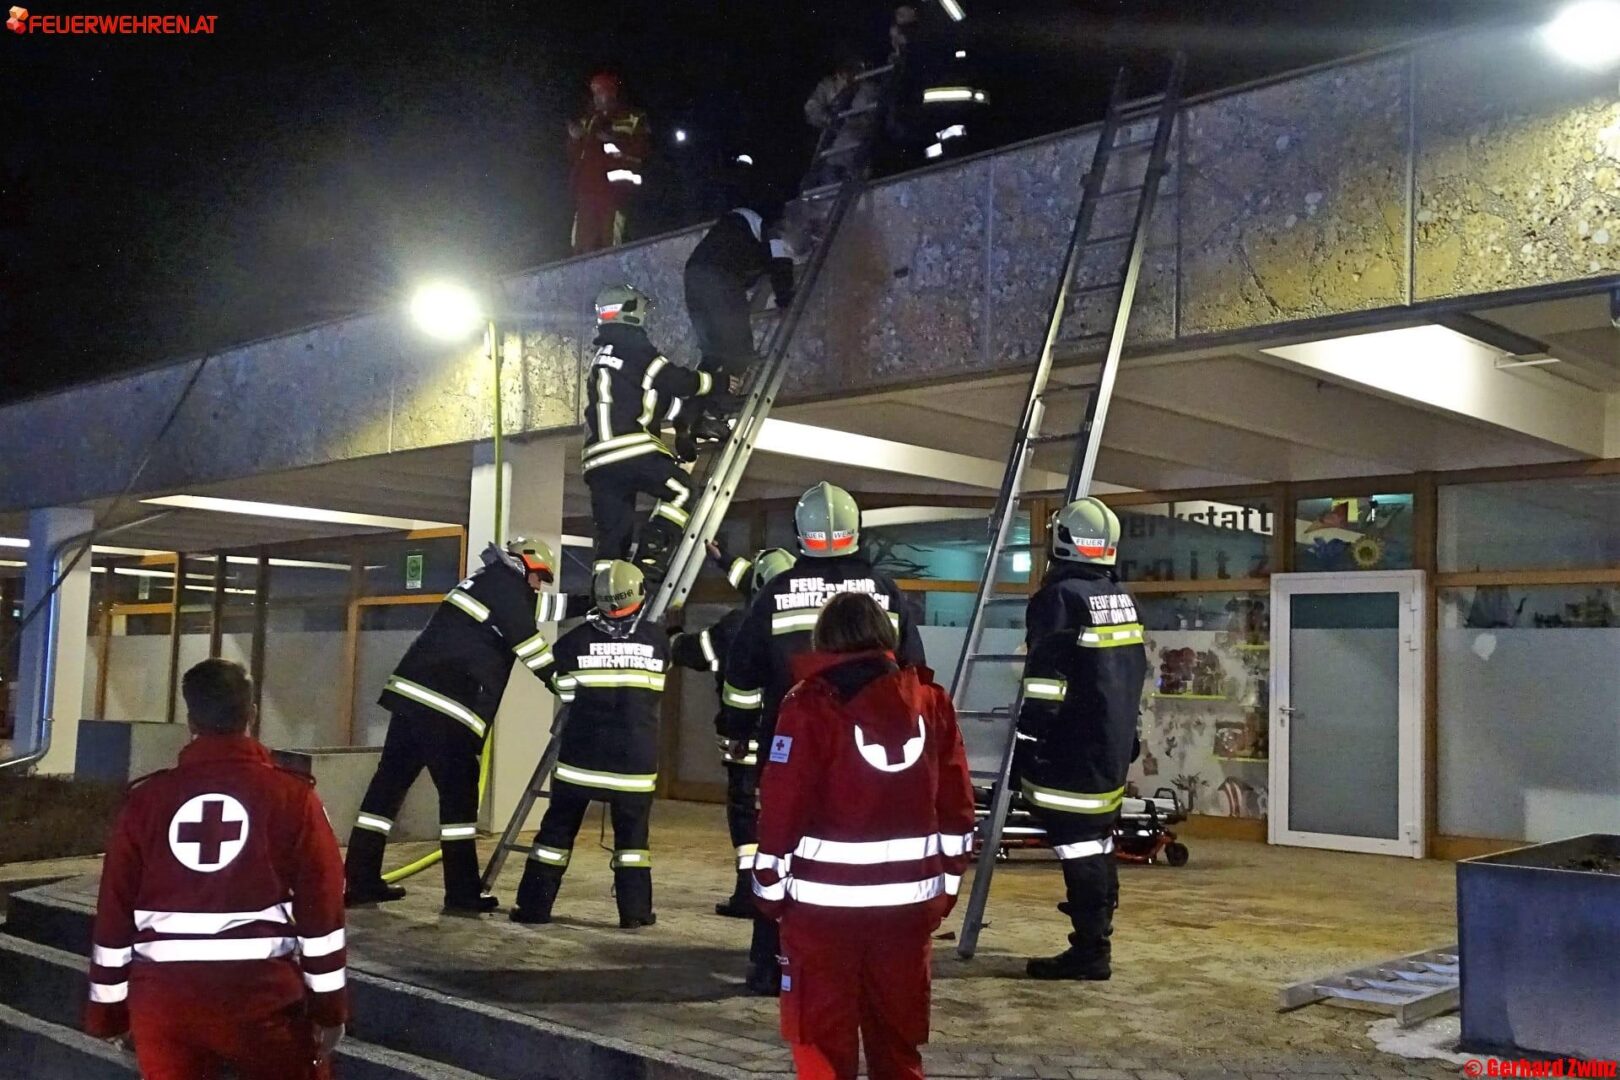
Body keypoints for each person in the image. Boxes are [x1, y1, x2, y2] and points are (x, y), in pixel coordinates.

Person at [84, 659, 348, 1080]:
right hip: (265, 1002)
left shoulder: (147, 801)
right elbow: (324, 911)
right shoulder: (291, 798)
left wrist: (108, 1012)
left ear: (190, 720)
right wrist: (329, 1007)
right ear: (252, 714)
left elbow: (114, 912)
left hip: (165, 1006)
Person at [752, 592, 975, 1080]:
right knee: (898, 1043)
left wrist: (768, 888)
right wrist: (944, 892)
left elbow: (783, 807)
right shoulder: (931, 702)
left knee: (821, 1046)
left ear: (824, 639)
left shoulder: (809, 704)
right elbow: (958, 810)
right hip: (908, 913)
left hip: (821, 914)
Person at [719, 481, 925, 995]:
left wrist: (738, 734)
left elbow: (741, 676)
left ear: (799, 534)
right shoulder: (885, 591)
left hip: (792, 747)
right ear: (855, 532)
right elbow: (914, 674)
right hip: (873, 755)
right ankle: (863, 963)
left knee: (783, 847)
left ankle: (771, 965)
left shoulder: (776, 591)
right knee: (866, 852)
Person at [345, 537, 573, 914]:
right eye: (540, 577)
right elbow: (530, 646)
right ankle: (462, 894)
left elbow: (544, 608)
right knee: (458, 807)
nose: (540, 586)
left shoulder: (489, 583)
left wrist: (596, 603)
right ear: (525, 566)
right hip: (450, 709)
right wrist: (567, 688)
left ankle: (361, 880)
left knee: (383, 796)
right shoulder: (507, 587)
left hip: (411, 700)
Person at [1014, 496, 1147, 980]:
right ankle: (1095, 939)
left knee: (1079, 845)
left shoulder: (1059, 599)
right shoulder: (1121, 598)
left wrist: (1028, 737)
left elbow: (1046, 680)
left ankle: (1091, 950)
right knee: (1096, 842)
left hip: (1070, 748)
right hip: (1109, 745)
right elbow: (1130, 675)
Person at [511, 560, 670, 929]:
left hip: (580, 759)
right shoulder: (656, 640)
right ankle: (635, 913)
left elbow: (559, 684)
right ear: (639, 594)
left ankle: (534, 908)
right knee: (632, 843)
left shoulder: (574, 641)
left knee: (555, 835)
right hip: (634, 763)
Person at [669, 543, 797, 917]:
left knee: (746, 814)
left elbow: (692, 652)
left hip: (745, 740)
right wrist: (723, 558)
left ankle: (749, 893)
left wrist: (671, 632)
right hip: (794, 739)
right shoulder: (812, 620)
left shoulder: (738, 625)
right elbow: (758, 583)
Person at [582, 284, 714, 579]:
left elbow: (651, 400)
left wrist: (684, 424)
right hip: (631, 449)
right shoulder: (633, 347)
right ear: (632, 311)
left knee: (612, 540)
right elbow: (676, 381)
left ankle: (606, 597)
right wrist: (713, 382)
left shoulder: (602, 357)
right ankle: (651, 556)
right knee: (682, 492)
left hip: (598, 463)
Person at [681, 206, 798, 442]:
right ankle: (718, 409)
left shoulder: (738, 221)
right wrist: (786, 299)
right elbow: (781, 265)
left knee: (713, 355)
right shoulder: (771, 230)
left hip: (694, 278)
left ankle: (692, 416)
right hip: (719, 278)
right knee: (740, 351)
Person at [567, 71, 651, 254]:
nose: (597, 97)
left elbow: (643, 150)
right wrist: (575, 139)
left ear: (612, 92)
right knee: (580, 246)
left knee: (612, 244)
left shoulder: (633, 117)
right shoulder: (588, 120)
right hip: (586, 194)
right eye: (595, 92)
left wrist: (613, 140)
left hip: (616, 193)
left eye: (601, 92)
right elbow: (574, 156)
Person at [803, 47, 880, 190]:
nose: (847, 73)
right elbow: (811, 109)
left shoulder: (868, 89)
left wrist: (854, 121)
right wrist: (828, 119)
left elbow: (874, 117)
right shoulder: (827, 86)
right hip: (832, 154)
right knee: (830, 194)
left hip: (859, 152)